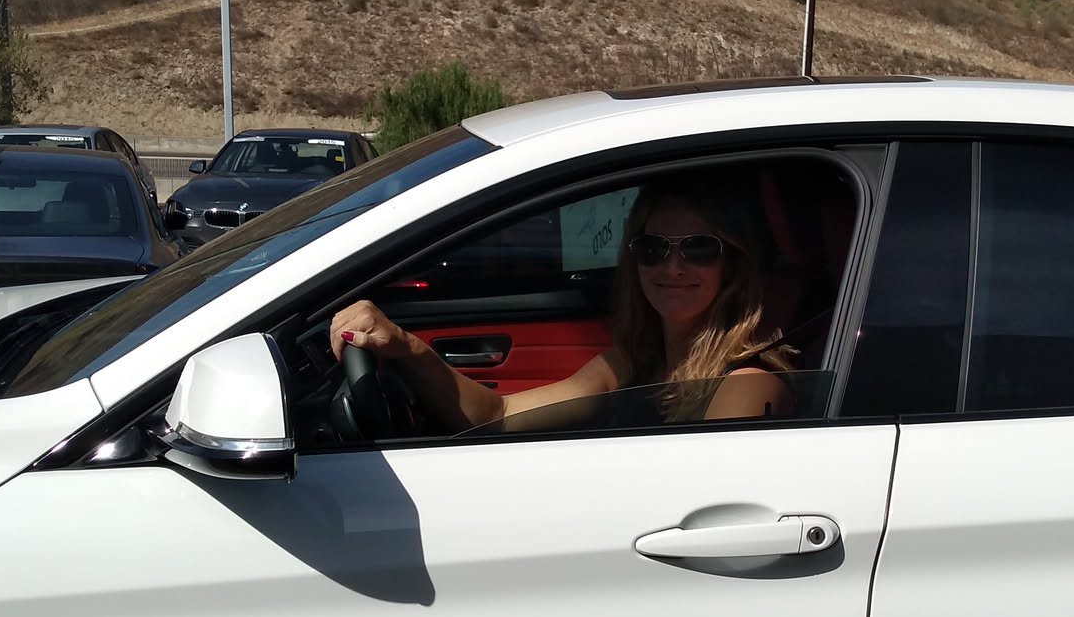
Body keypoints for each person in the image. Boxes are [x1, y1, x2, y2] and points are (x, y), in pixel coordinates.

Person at [328, 173, 794, 433]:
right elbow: (498, 416)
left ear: (732, 264)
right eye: (653, 248)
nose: (672, 267)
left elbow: (703, 515)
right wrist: (406, 347)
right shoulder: (632, 364)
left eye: (698, 248)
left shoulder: (747, 386)